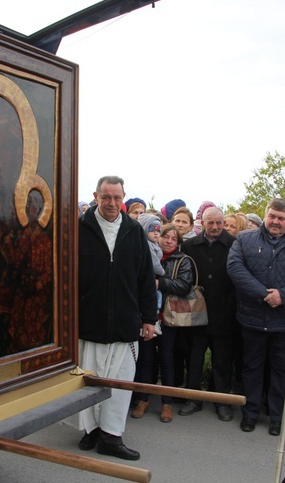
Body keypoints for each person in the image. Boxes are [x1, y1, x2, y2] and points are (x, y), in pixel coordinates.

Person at [77, 175, 158, 461]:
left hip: (124, 320)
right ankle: (91, 431)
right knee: (88, 379)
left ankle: (112, 436)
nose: (112, 203)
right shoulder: (78, 228)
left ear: (123, 197)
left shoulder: (134, 230)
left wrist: (149, 318)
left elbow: (146, 278)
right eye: (106, 197)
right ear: (96, 196)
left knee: (120, 382)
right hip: (88, 320)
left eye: (117, 198)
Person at [227, 198, 285, 436]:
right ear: (266, 215)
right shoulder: (244, 239)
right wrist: (265, 295)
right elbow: (235, 268)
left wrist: (283, 296)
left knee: (281, 371)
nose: (276, 222)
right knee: (252, 368)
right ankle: (250, 414)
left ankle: (277, 417)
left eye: (281, 218)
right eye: (272, 216)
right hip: (252, 317)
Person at [180, 207, 238, 421]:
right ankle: (193, 399)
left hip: (225, 313)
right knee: (194, 358)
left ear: (223, 223)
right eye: (210, 223)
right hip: (196, 313)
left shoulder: (234, 244)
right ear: (202, 223)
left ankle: (222, 402)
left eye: (219, 223)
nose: (215, 227)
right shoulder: (188, 246)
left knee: (222, 360)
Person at [131, 224, 193, 423]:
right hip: (147, 316)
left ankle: (166, 403)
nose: (168, 241)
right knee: (146, 359)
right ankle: (143, 398)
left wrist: (159, 283)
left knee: (167, 359)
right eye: (166, 236)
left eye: (174, 239)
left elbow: (184, 285)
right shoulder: (148, 254)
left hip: (168, 318)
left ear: (178, 243)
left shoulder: (182, 260)